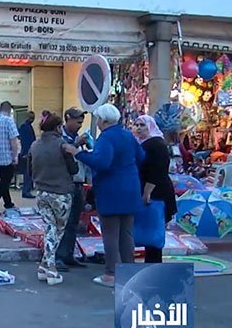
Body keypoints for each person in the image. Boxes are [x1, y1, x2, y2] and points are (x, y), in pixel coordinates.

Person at [63, 104, 144, 288]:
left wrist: (79, 153)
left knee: (110, 234)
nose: (97, 123)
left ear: (104, 120)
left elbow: (102, 163)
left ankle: (111, 274)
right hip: (131, 188)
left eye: (98, 119)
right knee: (127, 234)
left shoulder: (106, 138)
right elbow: (141, 158)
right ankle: (128, 272)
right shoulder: (127, 135)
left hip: (111, 190)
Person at [29, 113, 79, 285]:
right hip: (61, 194)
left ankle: (44, 266)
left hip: (41, 192)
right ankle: (51, 269)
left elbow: (30, 169)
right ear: (58, 127)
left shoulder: (34, 145)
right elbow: (73, 169)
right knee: (57, 231)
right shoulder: (62, 145)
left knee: (49, 228)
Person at [132, 115, 177, 264]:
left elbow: (158, 170)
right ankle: (150, 263)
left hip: (156, 192)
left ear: (150, 127)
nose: (138, 128)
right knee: (149, 229)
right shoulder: (142, 144)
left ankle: (153, 264)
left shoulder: (157, 144)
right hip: (149, 190)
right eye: (136, 125)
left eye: (142, 125)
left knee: (154, 230)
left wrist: (147, 191)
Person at [56, 107, 91, 271]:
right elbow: (61, 155)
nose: (79, 125)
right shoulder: (60, 138)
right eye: (77, 122)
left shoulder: (76, 137)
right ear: (67, 119)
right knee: (63, 221)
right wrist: (76, 144)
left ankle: (68, 254)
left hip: (78, 183)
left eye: (81, 122)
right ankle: (58, 257)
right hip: (65, 184)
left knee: (74, 222)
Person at [18, 111, 37, 199]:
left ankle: (27, 189)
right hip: (27, 152)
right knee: (27, 173)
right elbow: (25, 141)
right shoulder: (25, 127)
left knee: (29, 172)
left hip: (28, 151)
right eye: (31, 118)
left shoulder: (26, 126)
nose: (32, 120)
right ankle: (26, 190)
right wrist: (26, 152)